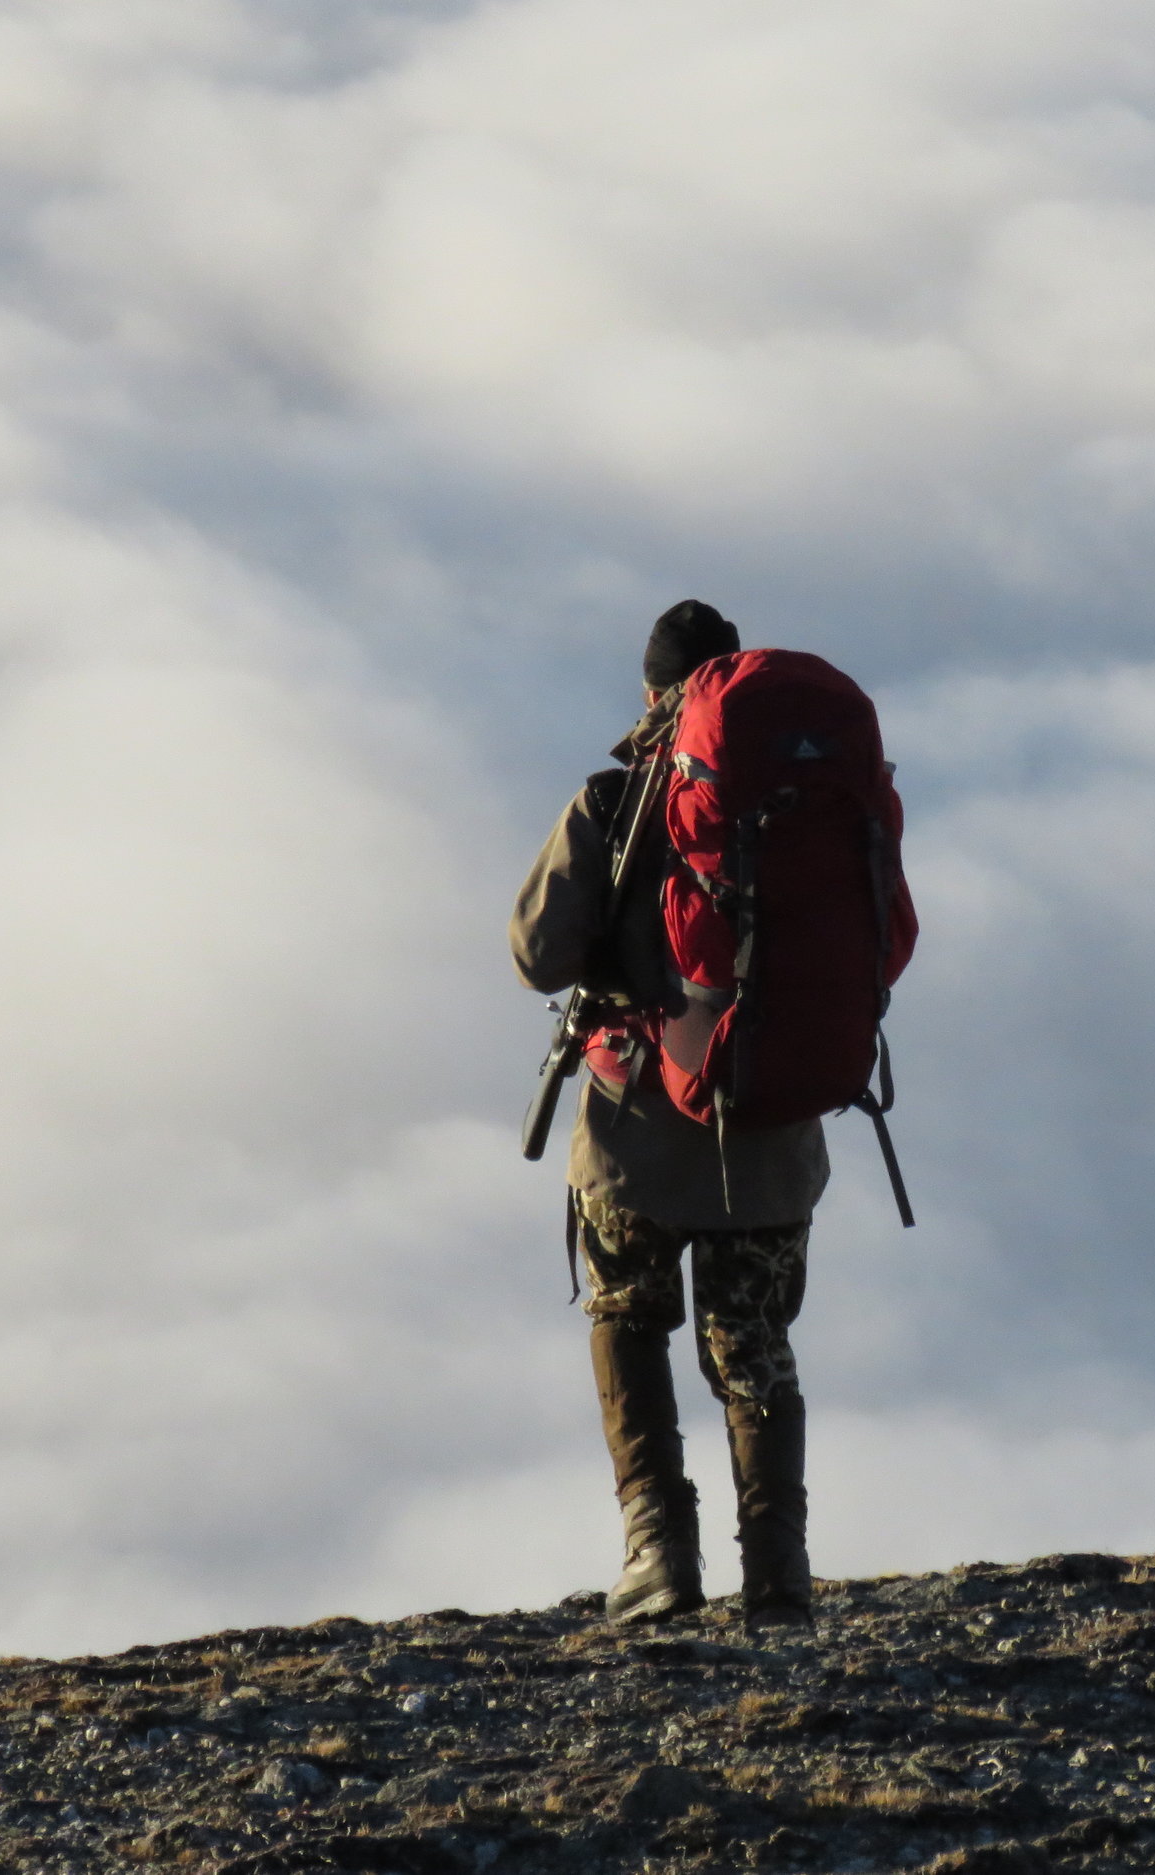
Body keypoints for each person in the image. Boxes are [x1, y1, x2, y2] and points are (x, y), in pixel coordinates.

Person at [511, 600, 830, 1628]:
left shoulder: (611, 807)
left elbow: (536, 956)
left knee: (627, 1321)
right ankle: (778, 1570)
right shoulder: (808, 802)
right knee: (753, 1346)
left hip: (635, 1127)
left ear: (652, 695)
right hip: (773, 1124)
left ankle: (659, 1553)